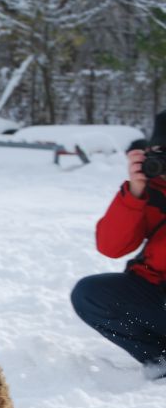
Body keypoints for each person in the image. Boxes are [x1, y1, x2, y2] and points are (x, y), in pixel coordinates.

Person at [71, 109, 166, 377]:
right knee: (90, 293)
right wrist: (135, 193)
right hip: (158, 297)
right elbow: (111, 247)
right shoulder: (149, 191)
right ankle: (160, 359)